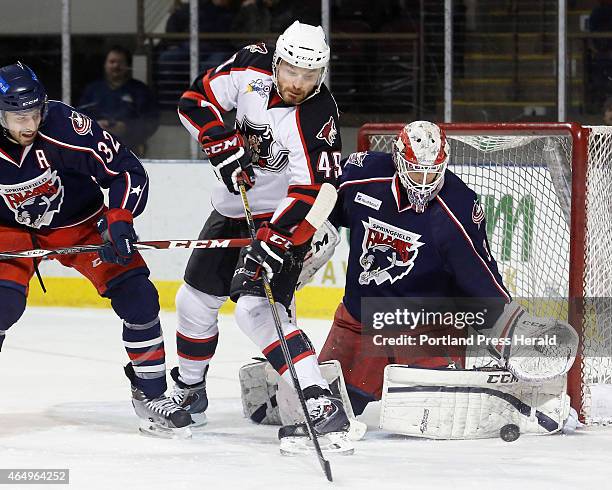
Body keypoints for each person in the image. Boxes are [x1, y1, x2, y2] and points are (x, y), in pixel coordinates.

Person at [314, 121, 578, 418]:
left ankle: (522, 407)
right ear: (398, 160)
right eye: (416, 170)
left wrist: (507, 322)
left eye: (432, 171)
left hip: (427, 328)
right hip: (360, 319)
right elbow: (324, 204)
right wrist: (302, 239)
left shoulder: (458, 205)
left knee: (433, 411)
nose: (424, 181)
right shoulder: (362, 174)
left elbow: (479, 275)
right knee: (323, 403)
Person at [172, 21, 351, 451]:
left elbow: (317, 192)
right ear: (277, 61)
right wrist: (217, 141)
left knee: (255, 309)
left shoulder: (319, 117)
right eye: (291, 71)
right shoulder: (251, 65)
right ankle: (189, 392)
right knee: (193, 301)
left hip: (287, 221)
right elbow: (195, 101)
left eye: (310, 76)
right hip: (231, 209)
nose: (298, 83)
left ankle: (319, 403)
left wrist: (276, 239)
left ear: (321, 74)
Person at [0, 62, 190, 437]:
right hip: (9, 232)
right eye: (18, 116)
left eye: (35, 113)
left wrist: (120, 218)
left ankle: (151, 394)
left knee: (138, 295)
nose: (30, 124)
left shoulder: (66, 126)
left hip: (81, 227)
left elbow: (127, 170)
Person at [78, 46, 159, 156]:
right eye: (112, 62)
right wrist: (95, 126)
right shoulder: (92, 90)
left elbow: (151, 121)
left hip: (129, 150)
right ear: (105, 65)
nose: (116, 66)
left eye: (120, 62)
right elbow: (79, 117)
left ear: (128, 66)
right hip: (93, 150)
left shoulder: (140, 90)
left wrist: (127, 128)